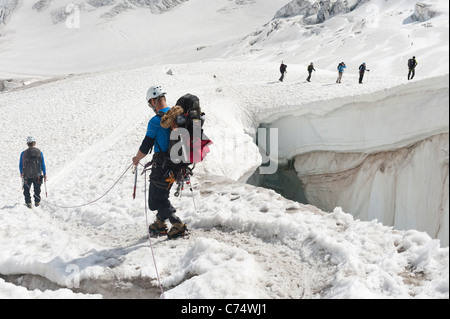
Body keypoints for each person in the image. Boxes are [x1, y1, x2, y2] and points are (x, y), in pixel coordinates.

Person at [132, 85, 187, 239]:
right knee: (162, 195)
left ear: (153, 100)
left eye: (150, 103)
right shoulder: (179, 117)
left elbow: (146, 145)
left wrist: (137, 159)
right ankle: (159, 223)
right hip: (178, 166)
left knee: (155, 200)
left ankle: (177, 224)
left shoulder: (156, 121)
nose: (151, 106)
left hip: (162, 166)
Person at [19, 136, 47, 209]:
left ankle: (28, 203)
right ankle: (37, 202)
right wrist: (45, 173)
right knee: (37, 189)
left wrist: (21, 173)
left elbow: (20, 165)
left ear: (27, 143)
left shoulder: (23, 153)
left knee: (26, 190)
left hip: (27, 175)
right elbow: (42, 164)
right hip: (37, 175)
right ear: (34, 143)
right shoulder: (39, 152)